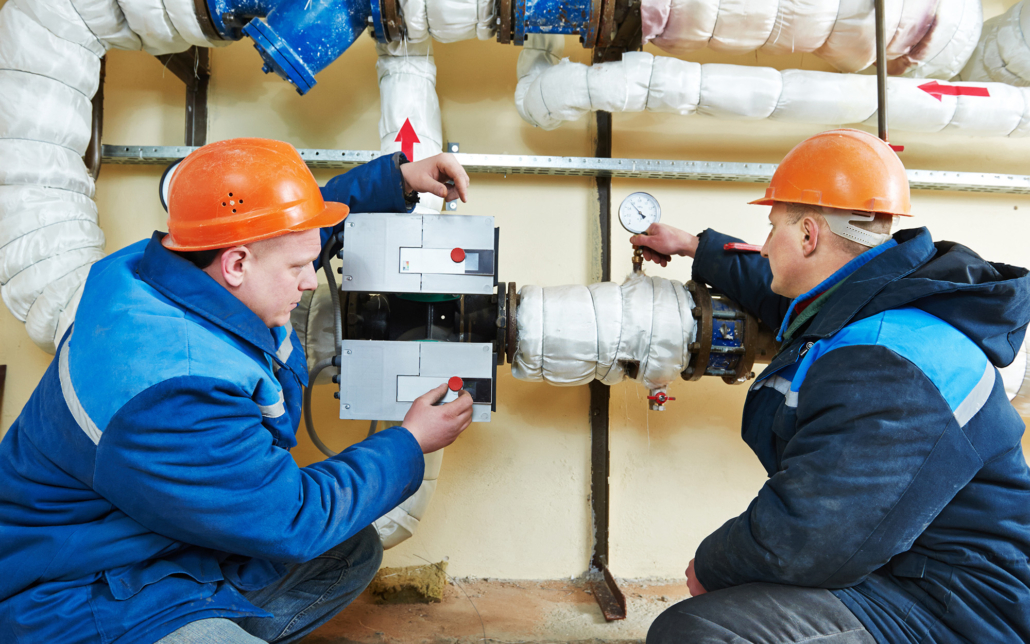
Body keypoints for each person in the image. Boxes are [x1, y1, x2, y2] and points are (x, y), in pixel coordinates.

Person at [0, 138, 474, 643]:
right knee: (310, 536)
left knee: (348, 550)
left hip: (142, 542)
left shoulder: (162, 269)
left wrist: (395, 181)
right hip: (68, 595)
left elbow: (285, 237)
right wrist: (410, 442)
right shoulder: (175, 389)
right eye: (298, 270)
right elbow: (294, 517)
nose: (310, 282)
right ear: (236, 265)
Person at [633, 129, 1030, 643]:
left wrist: (712, 565)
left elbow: (812, 534)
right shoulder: (876, 299)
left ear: (808, 236)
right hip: (912, 563)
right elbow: (782, 297)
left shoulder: (888, 362)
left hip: (965, 607)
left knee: (701, 631)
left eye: (772, 226)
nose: (766, 243)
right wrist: (695, 247)